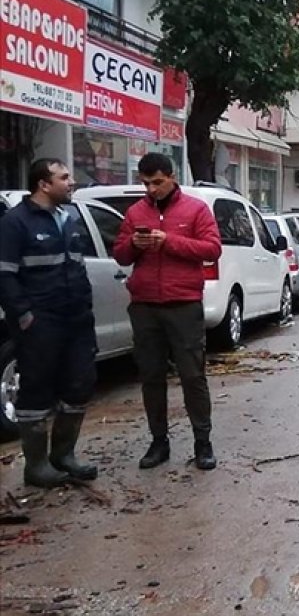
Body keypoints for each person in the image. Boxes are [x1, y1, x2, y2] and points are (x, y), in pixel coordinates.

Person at [113, 153, 223, 471]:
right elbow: (120, 255)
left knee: (192, 376)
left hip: (183, 304)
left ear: (172, 177)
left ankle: (203, 442)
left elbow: (211, 249)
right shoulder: (135, 212)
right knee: (151, 377)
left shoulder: (196, 209)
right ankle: (158, 442)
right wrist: (134, 243)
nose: (151, 190)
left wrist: (168, 241)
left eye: (157, 182)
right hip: (145, 305)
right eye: (146, 183)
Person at [0, 159, 99, 488]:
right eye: (64, 177)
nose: (70, 182)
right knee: (37, 390)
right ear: (44, 184)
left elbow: (77, 266)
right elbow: (5, 276)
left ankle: (64, 456)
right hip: (41, 322)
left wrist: (85, 308)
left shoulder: (68, 219)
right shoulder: (16, 222)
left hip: (76, 321)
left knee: (79, 385)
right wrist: (25, 316)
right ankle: (37, 466)